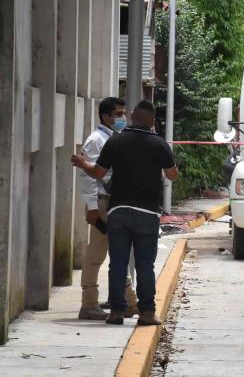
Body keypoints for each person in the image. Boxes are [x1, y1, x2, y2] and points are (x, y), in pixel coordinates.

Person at [72, 100, 178, 326]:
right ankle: (147, 313)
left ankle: (117, 312)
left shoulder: (115, 141)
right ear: (152, 121)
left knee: (117, 262)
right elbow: (172, 175)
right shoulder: (159, 144)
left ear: (132, 116)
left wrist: (83, 164)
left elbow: (98, 172)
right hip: (147, 213)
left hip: (118, 210)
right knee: (144, 264)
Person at [77, 97, 138, 320]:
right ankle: (93, 303)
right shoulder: (96, 140)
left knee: (105, 253)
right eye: (119, 114)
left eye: (124, 113)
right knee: (107, 254)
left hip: (112, 203)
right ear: (105, 116)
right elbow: (89, 177)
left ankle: (126, 302)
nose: (123, 118)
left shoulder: (112, 138)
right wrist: (92, 208)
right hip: (104, 203)